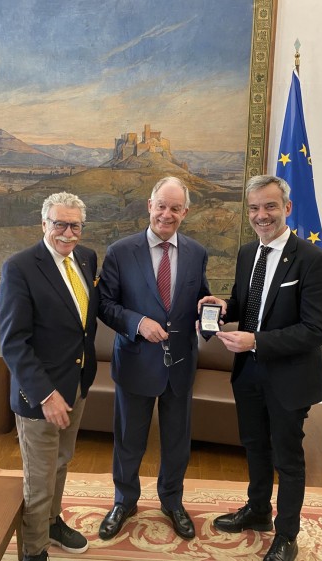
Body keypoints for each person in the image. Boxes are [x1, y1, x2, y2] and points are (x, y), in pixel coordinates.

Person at [199, 175, 322, 561]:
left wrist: (256, 340)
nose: (262, 215)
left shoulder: (313, 260)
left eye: (270, 206)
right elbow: (246, 304)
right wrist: (223, 306)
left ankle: (287, 534)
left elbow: (316, 329)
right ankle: (258, 510)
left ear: (287, 208)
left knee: (287, 459)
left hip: (290, 378)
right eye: (255, 208)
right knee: (254, 446)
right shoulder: (247, 254)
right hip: (249, 374)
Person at [98, 176, 210, 541]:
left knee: (177, 442)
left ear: (185, 212)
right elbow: (105, 304)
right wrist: (138, 323)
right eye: (161, 206)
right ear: (150, 206)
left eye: (175, 208)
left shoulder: (196, 252)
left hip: (180, 364)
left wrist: (210, 314)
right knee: (129, 440)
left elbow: (200, 298)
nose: (167, 214)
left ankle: (172, 502)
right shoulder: (120, 251)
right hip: (135, 362)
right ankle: (124, 501)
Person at [0, 191, 98, 561]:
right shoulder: (20, 267)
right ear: (44, 223)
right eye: (60, 224)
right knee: (39, 480)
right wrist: (46, 394)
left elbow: (82, 323)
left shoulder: (86, 258)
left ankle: (52, 523)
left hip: (77, 384)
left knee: (61, 461)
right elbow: (13, 342)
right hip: (40, 396)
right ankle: (34, 550)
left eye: (75, 226)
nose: (68, 233)